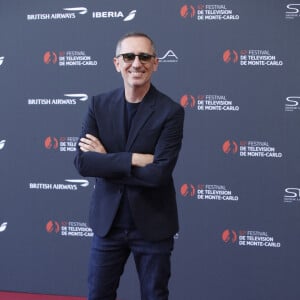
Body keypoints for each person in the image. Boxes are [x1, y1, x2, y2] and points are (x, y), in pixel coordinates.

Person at [74, 32, 184, 300]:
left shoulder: (171, 112)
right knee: (98, 295)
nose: (137, 63)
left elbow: (158, 174)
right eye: (129, 56)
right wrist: (133, 158)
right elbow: (83, 162)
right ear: (117, 63)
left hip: (153, 226)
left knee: (154, 296)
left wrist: (107, 160)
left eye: (144, 56)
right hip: (107, 224)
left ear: (155, 63)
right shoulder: (98, 105)